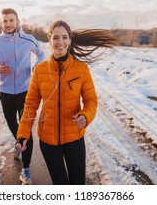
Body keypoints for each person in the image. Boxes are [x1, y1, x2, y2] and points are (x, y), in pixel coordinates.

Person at [15, 20, 116, 185]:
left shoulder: (81, 69)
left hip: (74, 138)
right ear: (49, 40)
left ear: (70, 40)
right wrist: (23, 135)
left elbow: (91, 100)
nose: (60, 42)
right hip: (48, 141)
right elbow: (30, 105)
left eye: (64, 37)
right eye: (55, 37)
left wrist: (85, 115)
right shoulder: (40, 71)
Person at [0, 8, 45, 185]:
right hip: (6, 93)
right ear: (1, 23)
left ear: (17, 21)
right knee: (13, 125)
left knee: (26, 129)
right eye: (5, 21)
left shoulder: (28, 39)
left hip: (26, 92)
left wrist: (37, 66)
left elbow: (41, 54)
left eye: (11, 20)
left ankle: (26, 168)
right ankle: (19, 143)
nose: (8, 24)